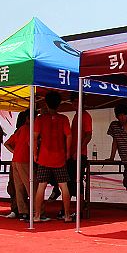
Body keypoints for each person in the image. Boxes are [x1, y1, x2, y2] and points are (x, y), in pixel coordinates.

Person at [32, 92, 72, 223]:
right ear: (59, 104)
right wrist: (68, 152)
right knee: (64, 186)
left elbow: (35, 137)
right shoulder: (63, 119)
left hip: (44, 157)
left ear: (46, 103)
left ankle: (37, 215)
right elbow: (69, 136)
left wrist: (35, 153)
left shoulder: (40, 119)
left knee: (41, 186)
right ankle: (67, 215)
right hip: (59, 156)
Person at [59, 95, 92, 220]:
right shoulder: (77, 115)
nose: (76, 103)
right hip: (72, 154)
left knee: (77, 182)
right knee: (70, 182)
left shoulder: (85, 116)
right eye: (74, 101)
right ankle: (68, 209)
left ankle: (79, 211)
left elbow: (88, 135)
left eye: (78, 101)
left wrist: (78, 151)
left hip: (79, 155)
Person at [4, 109, 31, 220]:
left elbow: (7, 143)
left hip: (15, 160)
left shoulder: (19, 130)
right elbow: (30, 143)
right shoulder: (28, 129)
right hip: (24, 160)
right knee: (30, 186)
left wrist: (15, 152)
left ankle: (21, 211)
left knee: (18, 187)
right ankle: (36, 210)